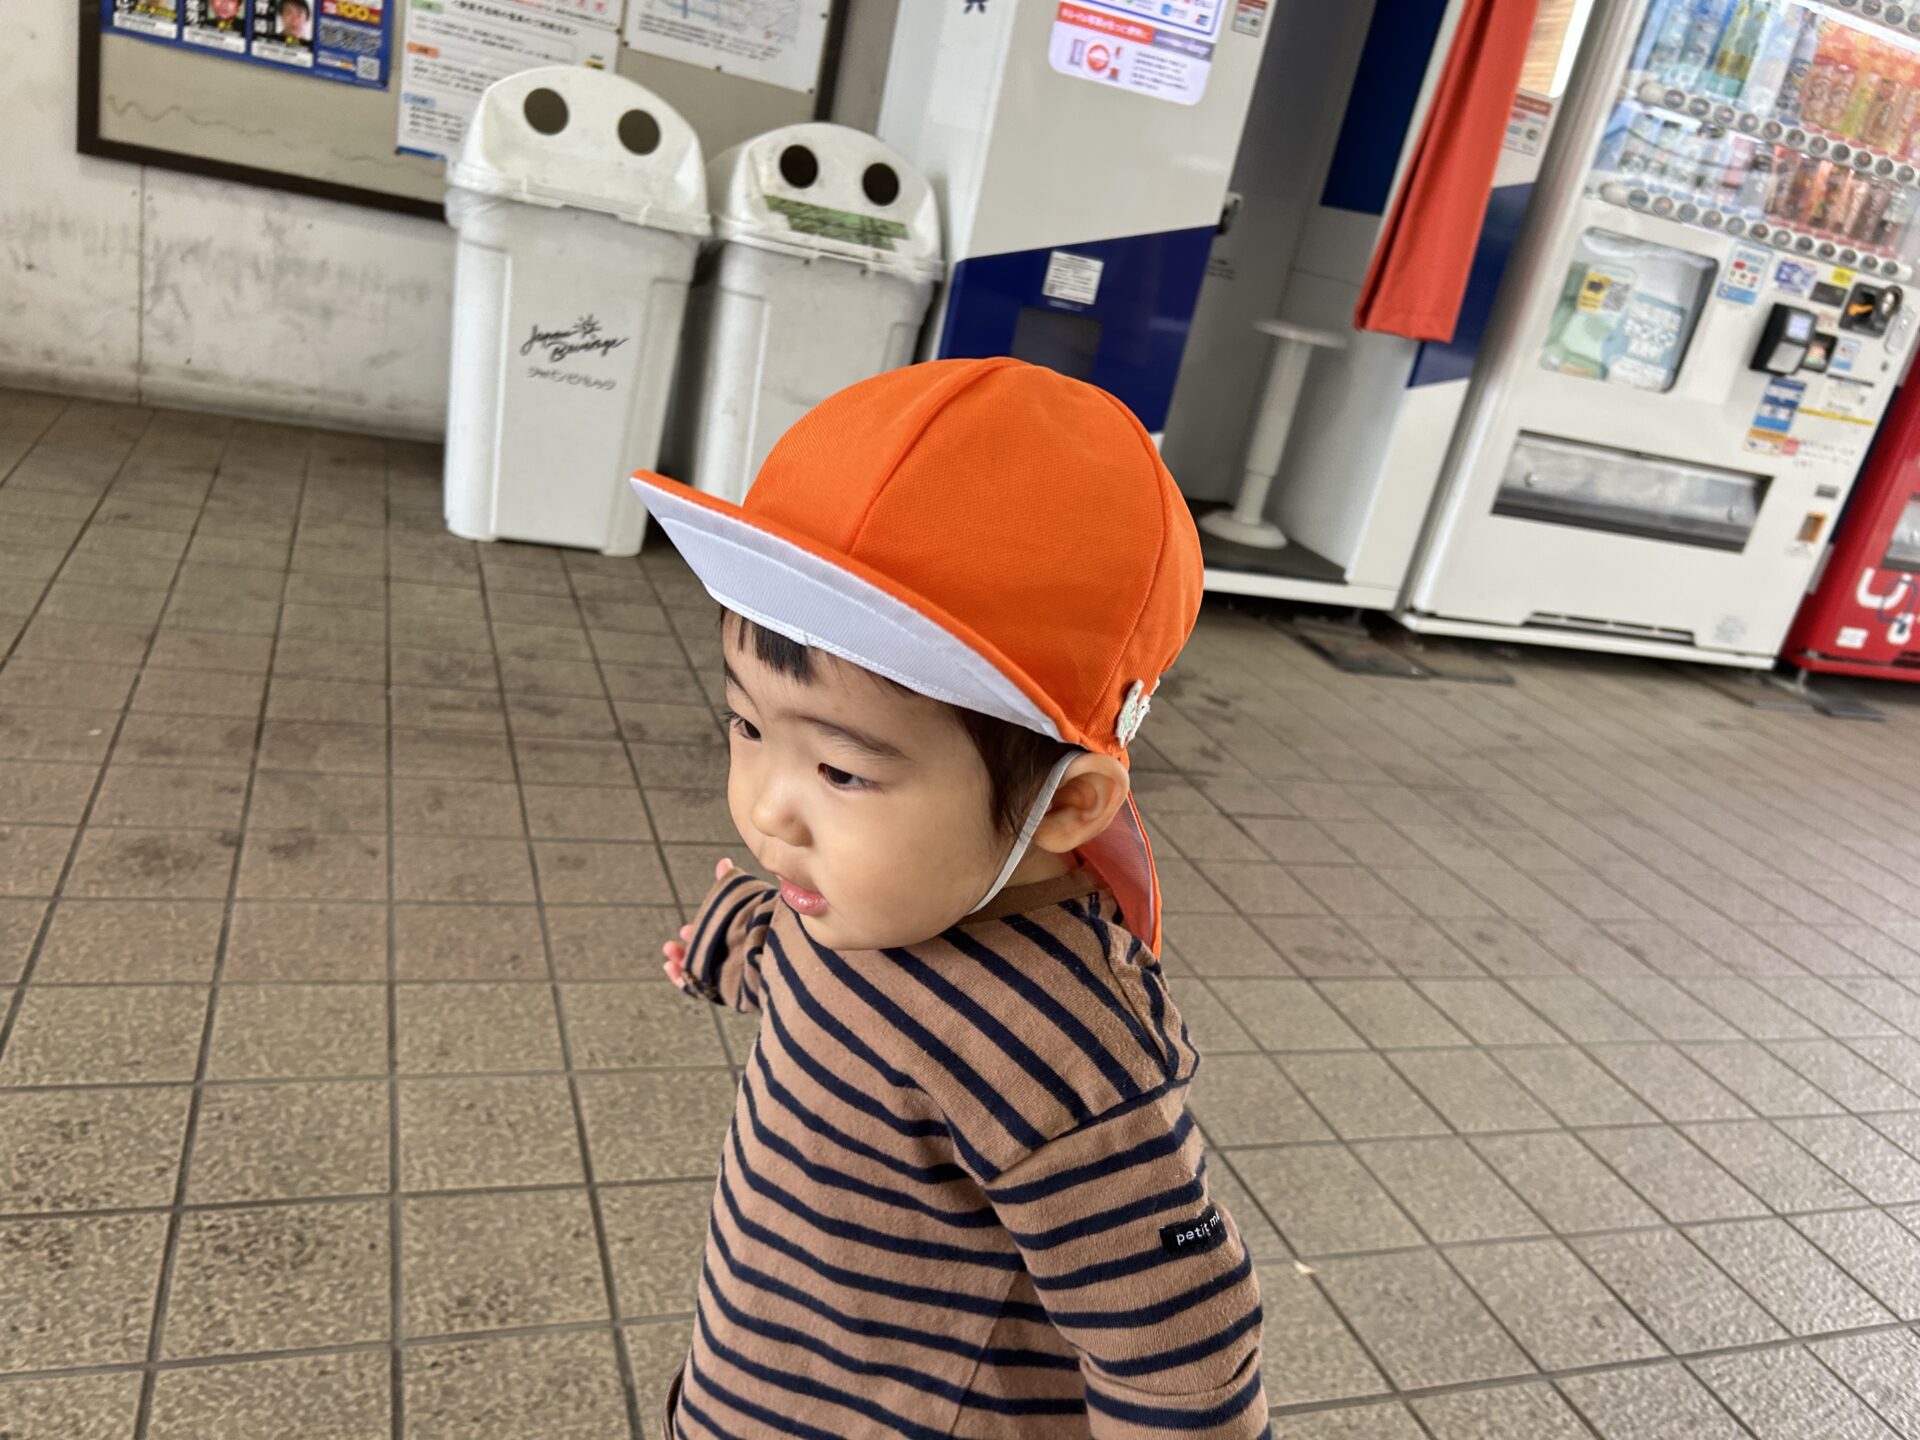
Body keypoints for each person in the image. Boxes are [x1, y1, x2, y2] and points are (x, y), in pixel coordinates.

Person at [634, 357, 1269, 1439]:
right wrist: (730, 945)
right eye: (746, 727)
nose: (770, 810)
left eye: (842, 771)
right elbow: (800, 965)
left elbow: (1179, 1357)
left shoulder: (1070, 1057)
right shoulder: (853, 893)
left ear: (1068, 805)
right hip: (753, 1384)